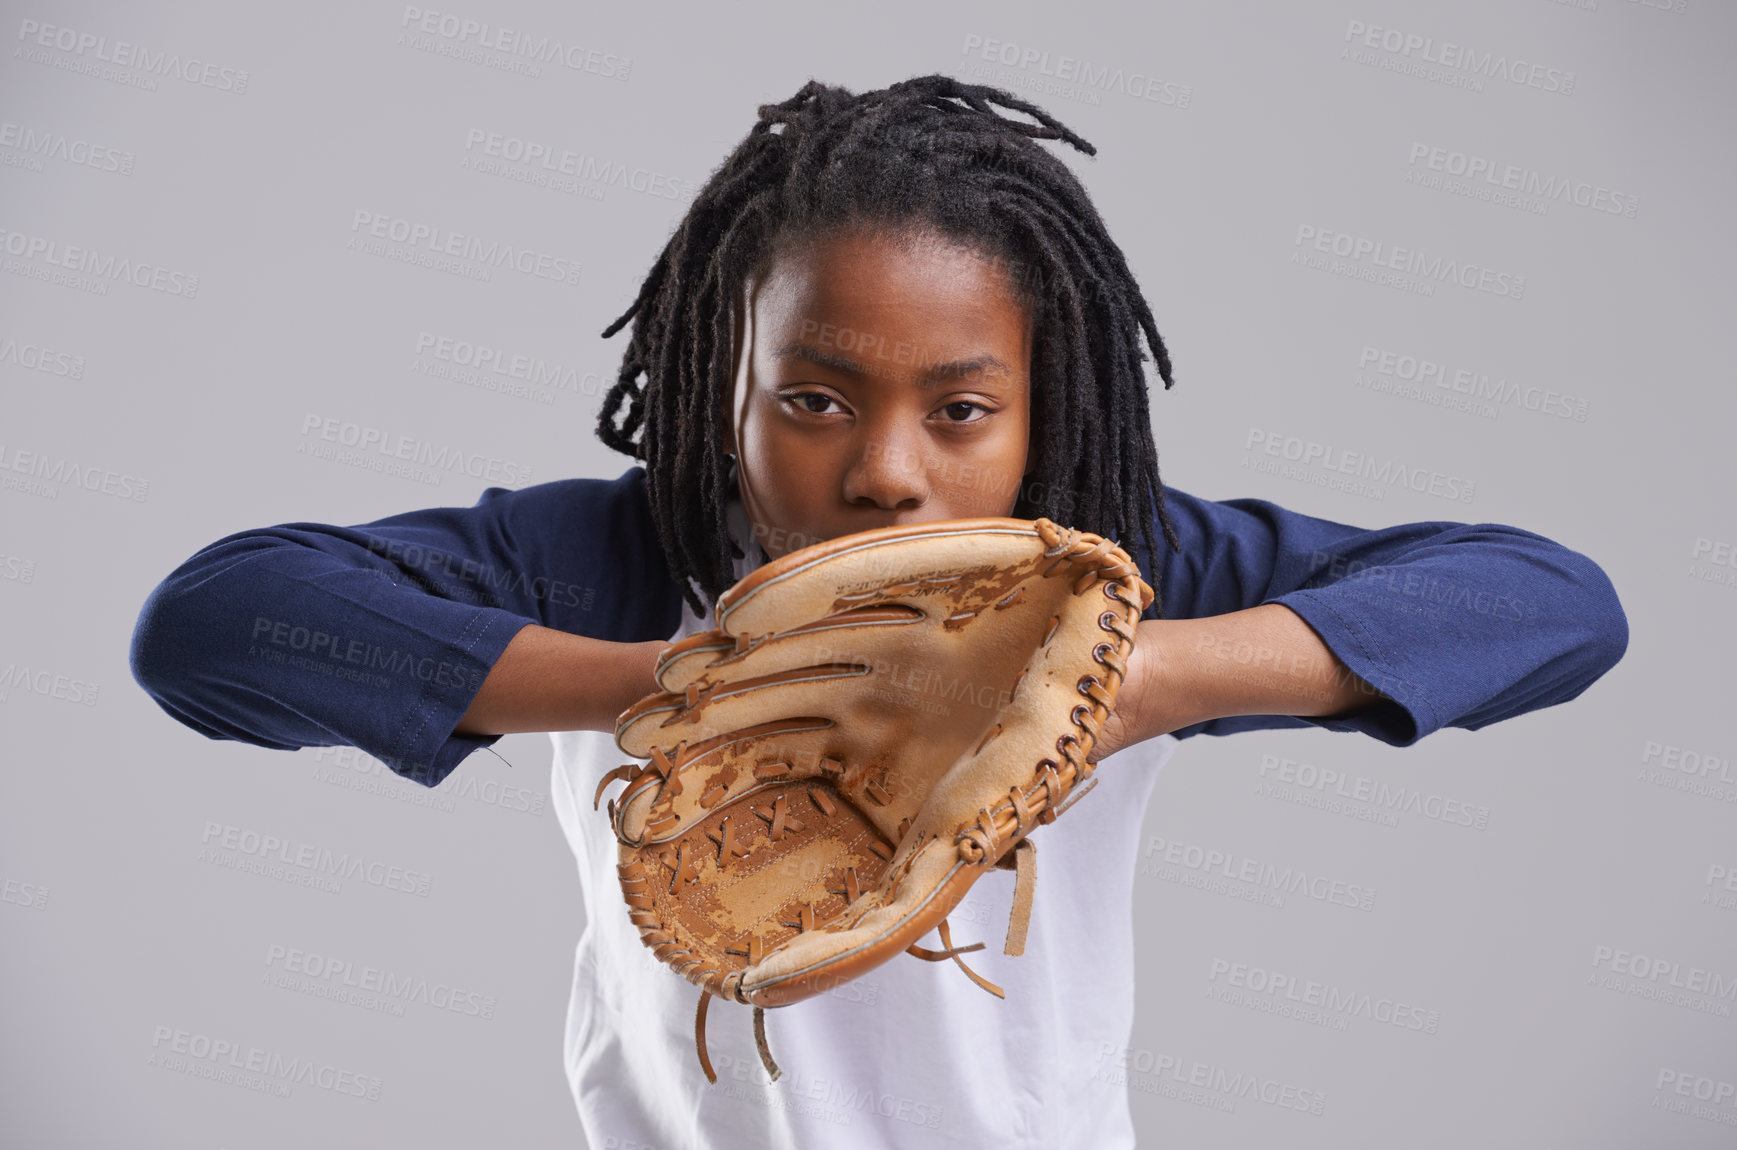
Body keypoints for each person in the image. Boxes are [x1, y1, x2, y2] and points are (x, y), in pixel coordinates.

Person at [129, 75, 1628, 1148]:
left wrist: (1144, 678)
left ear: (1044, 414)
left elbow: (1551, 601)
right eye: (815, 399)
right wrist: (683, 683)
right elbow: (211, 623)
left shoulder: (1101, 578)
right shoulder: (620, 551)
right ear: (727, 380)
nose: (887, 470)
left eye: (962, 407)